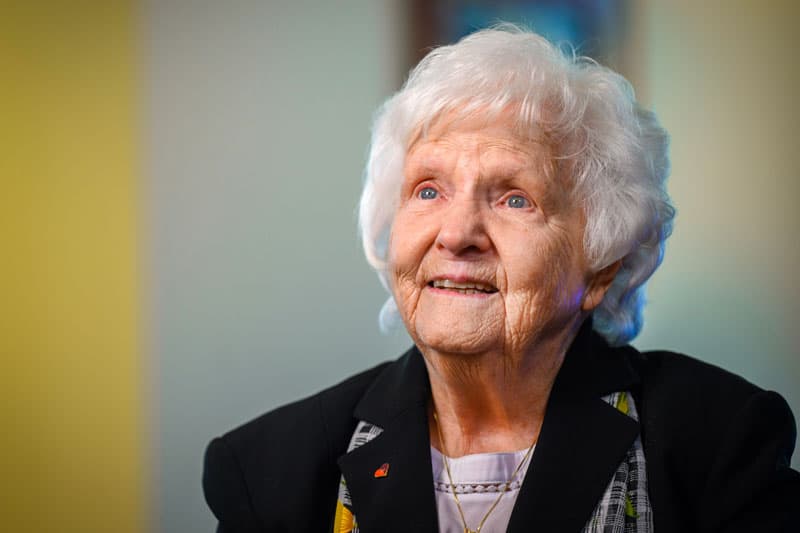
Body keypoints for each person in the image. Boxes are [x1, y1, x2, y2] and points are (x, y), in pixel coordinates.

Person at [202, 26, 799, 532]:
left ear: (601, 264)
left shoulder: (715, 442)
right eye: (428, 190)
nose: (457, 232)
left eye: (515, 198)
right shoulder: (270, 469)